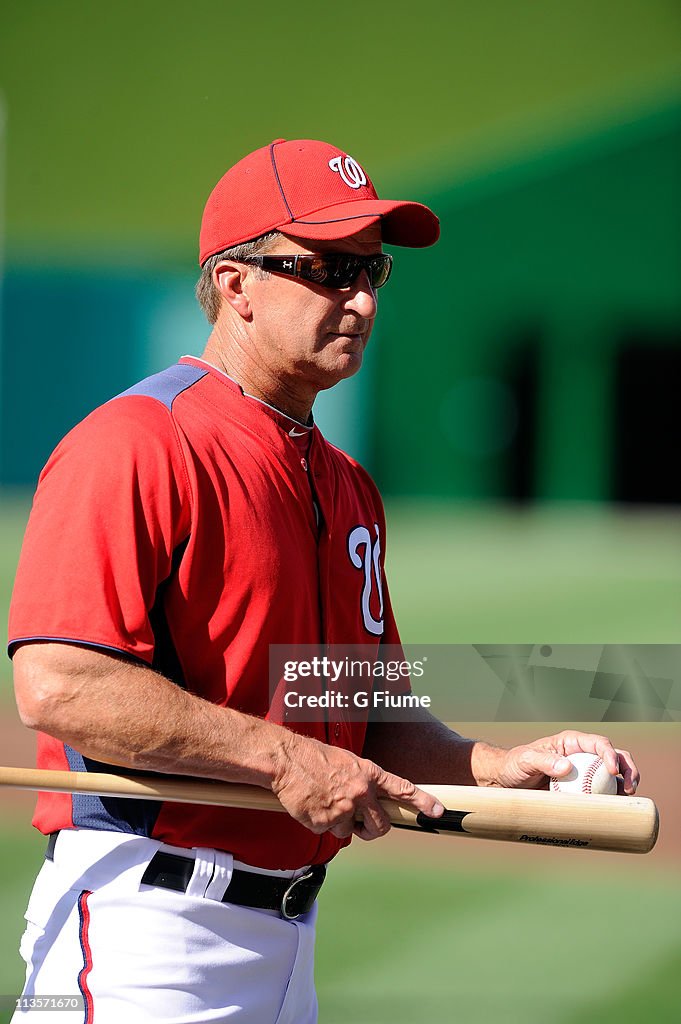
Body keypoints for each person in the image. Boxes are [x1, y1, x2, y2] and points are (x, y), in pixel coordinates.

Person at [8, 138, 639, 1023]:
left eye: (371, 268)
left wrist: (499, 768)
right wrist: (282, 756)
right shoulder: (137, 443)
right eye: (327, 269)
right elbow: (60, 683)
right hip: (143, 933)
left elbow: (363, 711)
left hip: (289, 944)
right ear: (236, 285)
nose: (362, 298)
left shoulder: (345, 483)